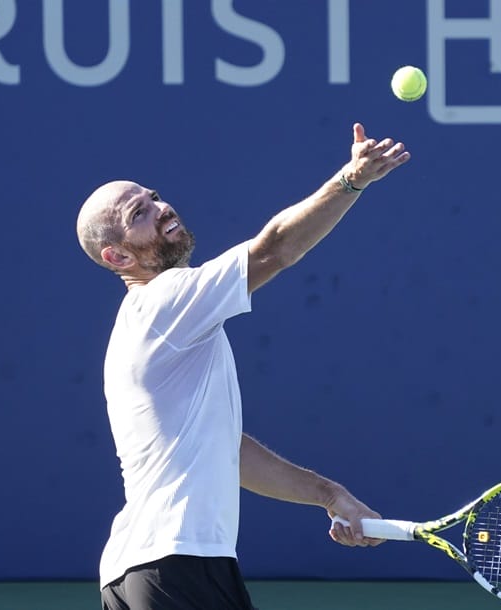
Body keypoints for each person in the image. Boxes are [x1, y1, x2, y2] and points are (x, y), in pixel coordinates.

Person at [76, 123, 411, 610]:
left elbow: (225, 449)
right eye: (139, 214)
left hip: (146, 572)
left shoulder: (157, 324)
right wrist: (351, 180)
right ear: (118, 255)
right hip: (177, 568)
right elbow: (275, 249)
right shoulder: (164, 302)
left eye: (154, 197)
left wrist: (328, 493)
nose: (162, 207)